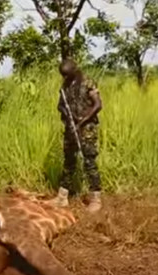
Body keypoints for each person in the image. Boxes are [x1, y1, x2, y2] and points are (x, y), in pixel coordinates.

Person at [49, 59, 103, 212]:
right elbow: (60, 105)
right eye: (63, 76)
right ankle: (62, 197)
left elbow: (98, 104)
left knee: (89, 161)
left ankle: (96, 198)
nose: (65, 78)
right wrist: (66, 113)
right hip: (70, 128)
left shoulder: (87, 82)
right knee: (69, 161)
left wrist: (83, 119)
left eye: (67, 75)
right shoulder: (65, 86)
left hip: (86, 129)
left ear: (74, 70)